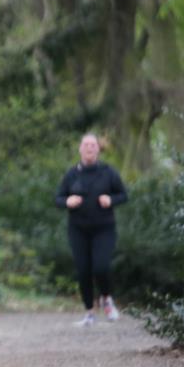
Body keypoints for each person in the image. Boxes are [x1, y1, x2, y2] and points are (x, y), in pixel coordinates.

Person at [54, 133, 128, 327]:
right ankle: (89, 312)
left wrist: (111, 200)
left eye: (93, 145)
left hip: (104, 228)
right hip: (78, 229)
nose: (89, 148)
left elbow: (123, 195)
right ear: (80, 149)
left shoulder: (108, 172)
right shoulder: (71, 174)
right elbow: (58, 199)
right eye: (86, 145)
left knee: (101, 267)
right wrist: (67, 201)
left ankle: (106, 298)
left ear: (98, 149)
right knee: (83, 270)